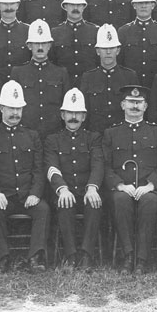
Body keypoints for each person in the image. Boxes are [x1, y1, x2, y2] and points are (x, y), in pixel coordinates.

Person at [0, 81, 50, 273]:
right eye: (11, 108)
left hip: (27, 196)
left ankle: (35, 257)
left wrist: (35, 193)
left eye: (19, 108)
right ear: (1, 108)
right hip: (4, 196)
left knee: (42, 209)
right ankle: (3, 257)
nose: (15, 113)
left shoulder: (32, 136)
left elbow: (38, 169)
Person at [102, 85, 157, 273]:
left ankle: (142, 260)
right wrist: (119, 185)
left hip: (150, 190)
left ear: (146, 106)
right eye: (131, 102)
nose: (135, 106)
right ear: (122, 105)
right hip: (122, 189)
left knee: (149, 201)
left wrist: (151, 185)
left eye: (139, 102)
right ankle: (128, 256)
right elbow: (105, 165)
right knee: (119, 199)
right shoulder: (111, 133)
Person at [44, 88, 105, 270]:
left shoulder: (93, 138)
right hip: (65, 190)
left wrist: (92, 188)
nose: (73, 117)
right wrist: (62, 189)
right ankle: (70, 256)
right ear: (62, 115)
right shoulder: (52, 139)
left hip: (86, 190)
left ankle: (86, 255)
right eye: (70, 112)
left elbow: (98, 164)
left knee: (94, 203)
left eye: (77, 113)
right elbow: (51, 167)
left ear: (84, 116)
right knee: (65, 203)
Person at [10, 20, 70, 139]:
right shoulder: (18, 73)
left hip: (54, 135)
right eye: (36, 43)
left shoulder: (60, 73)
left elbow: (66, 108)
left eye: (44, 43)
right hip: (26, 136)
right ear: (29, 45)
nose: (40, 47)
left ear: (49, 45)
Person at [79, 26, 138, 133]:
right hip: (96, 134)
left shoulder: (129, 76)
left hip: (123, 134)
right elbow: (85, 111)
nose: (108, 52)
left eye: (112, 48)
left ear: (118, 50)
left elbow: (135, 110)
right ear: (97, 51)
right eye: (104, 49)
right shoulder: (88, 77)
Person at [118, 0, 157, 89]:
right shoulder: (123, 31)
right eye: (140, 3)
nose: (143, 6)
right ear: (134, 5)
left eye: (147, 2)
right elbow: (120, 64)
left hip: (156, 87)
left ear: (153, 5)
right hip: (131, 87)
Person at [50, 0, 99, 85]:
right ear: (65, 6)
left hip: (90, 85)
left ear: (83, 7)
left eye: (78, 5)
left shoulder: (95, 31)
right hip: (64, 84)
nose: (75, 8)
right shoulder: (55, 33)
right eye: (72, 4)